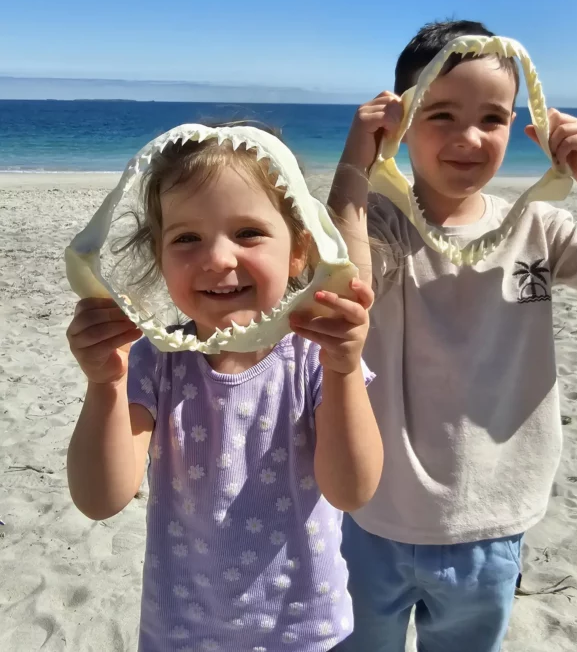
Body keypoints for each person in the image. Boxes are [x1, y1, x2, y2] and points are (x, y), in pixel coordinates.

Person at [328, 20, 577, 651]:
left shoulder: (534, 225)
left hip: (491, 517)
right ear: (399, 123)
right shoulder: (381, 224)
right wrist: (358, 159)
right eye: (441, 115)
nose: (469, 137)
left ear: (519, 124)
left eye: (493, 118)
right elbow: (345, 283)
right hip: (374, 512)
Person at [65, 122, 383, 652]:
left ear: (300, 248)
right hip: (182, 634)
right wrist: (104, 384)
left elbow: (352, 491)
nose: (217, 258)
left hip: (305, 634)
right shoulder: (153, 362)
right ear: (160, 256)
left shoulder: (314, 360)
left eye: (248, 233)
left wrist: (345, 370)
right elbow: (100, 498)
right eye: (186, 238)